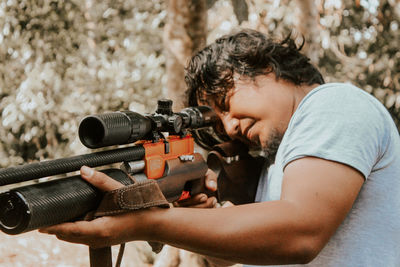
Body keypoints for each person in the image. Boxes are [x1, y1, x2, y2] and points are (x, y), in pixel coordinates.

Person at [40, 29, 400, 266]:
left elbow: (301, 233)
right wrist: (201, 213)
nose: (229, 125)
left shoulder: (332, 103)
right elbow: (243, 257)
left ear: (265, 67)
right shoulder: (278, 161)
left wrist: (149, 222)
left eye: (226, 102)